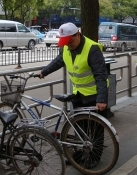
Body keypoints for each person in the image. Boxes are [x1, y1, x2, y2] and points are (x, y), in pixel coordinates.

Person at [39, 22, 109, 168]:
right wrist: (44, 71)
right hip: (78, 93)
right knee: (78, 127)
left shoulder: (92, 49)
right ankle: (79, 154)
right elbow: (60, 60)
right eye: (65, 42)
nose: (68, 44)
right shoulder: (66, 47)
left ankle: (94, 156)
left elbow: (101, 75)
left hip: (94, 95)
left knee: (95, 129)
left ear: (77, 34)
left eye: (70, 40)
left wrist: (101, 99)